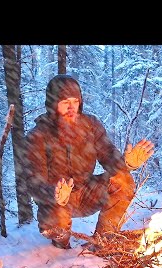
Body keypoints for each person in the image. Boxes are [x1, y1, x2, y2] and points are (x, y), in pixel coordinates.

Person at [24, 74, 154, 249]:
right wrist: (54, 193)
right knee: (56, 220)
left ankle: (103, 241)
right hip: (57, 200)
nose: (71, 108)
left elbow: (109, 157)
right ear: (53, 104)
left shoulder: (90, 125)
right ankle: (61, 246)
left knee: (123, 179)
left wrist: (127, 164)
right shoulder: (37, 136)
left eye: (75, 101)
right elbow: (33, 182)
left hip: (87, 192)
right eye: (65, 102)